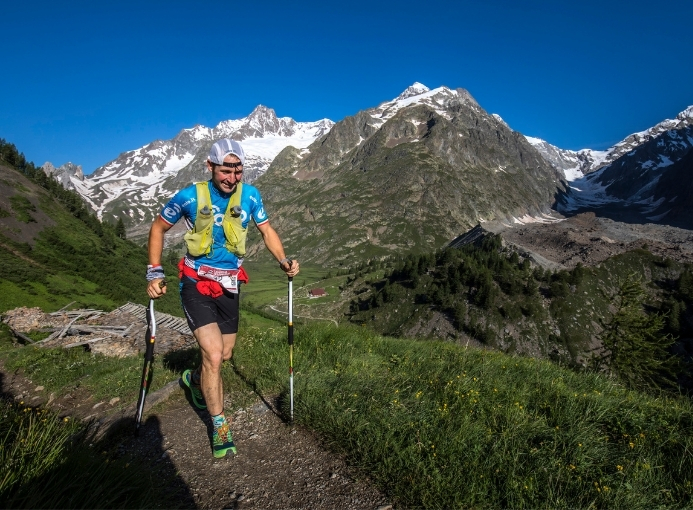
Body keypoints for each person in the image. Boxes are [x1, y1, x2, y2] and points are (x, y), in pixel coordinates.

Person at [146, 138, 299, 458]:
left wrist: (283, 260)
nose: (232, 178)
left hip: (230, 284)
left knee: (225, 354)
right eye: (225, 171)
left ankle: (194, 380)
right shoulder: (190, 196)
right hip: (196, 283)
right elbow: (158, 228)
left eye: (238, 171)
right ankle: (219, 424)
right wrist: (155, 272)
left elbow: (267, 231)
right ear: (210, 166)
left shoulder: (251, 196)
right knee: (214, 355)